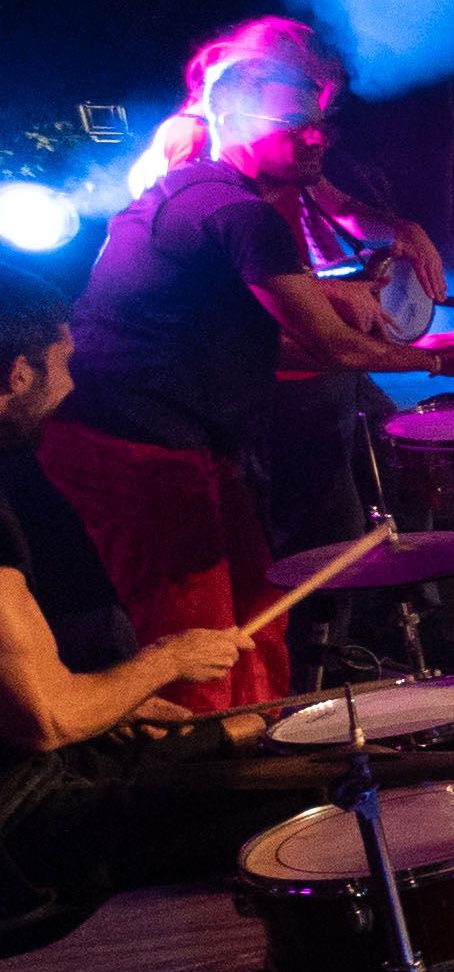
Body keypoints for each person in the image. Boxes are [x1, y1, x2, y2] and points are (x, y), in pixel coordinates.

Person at [39, 49, 454, 712]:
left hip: (170, 434)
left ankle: (260, 741)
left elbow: (242, 342)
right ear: (235, 120)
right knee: (197, 633)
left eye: (322, 122)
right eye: (294, 123)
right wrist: (436, 360)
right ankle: (214, 779)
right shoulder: (237, 214)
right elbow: (332, 348)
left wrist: (355, 300)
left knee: (257, 611)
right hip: (130, 444)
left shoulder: (207, 191)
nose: (316, 137)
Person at [0, 268, 333, 926]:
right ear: (18, 373)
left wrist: (122, 701)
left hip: (45, 773)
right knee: (338, 793)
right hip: (25, 828)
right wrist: (166, 661)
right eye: (66, 362)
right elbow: (46, 723)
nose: (74, 384)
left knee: (250, 731)